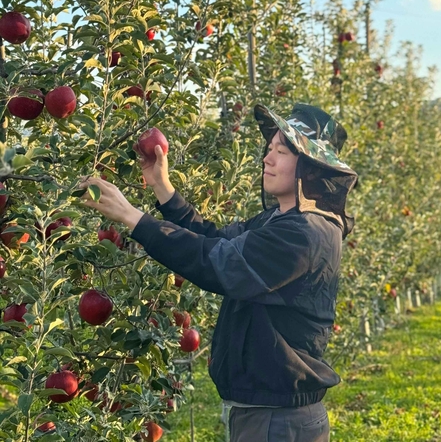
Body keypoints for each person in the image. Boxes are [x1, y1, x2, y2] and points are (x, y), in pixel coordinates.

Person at [80, 102, 358, 442]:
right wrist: (163, 189)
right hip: (264, 411)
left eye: (281, 151)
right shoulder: (280, 222)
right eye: (268, 149)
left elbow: (215, 261)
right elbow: (215, 238)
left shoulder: (305, 234)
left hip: (279, 420)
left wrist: (132, 217)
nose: (267, 159)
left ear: (311, 168)